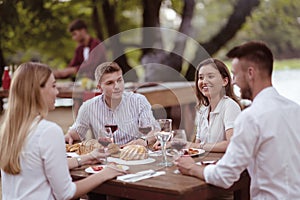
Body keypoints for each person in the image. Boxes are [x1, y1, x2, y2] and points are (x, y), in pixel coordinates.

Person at [176, 41, 300, 199]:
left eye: (235, 74)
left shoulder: (250, 117)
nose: (234, 81)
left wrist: (192, 168)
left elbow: (225, 176)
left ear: (250, 73)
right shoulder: (295, 109)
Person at [0, 62, 125, 199]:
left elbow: (41, 167)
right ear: (37, 90)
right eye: (53, 86)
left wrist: (87, 158)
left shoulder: (9, 130)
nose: (57, 92)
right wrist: (105, 173)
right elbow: (66, 193)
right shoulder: (48, 131)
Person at [65, 61, 157, 146]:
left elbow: (154, 130)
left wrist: (144, 140)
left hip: (133, 156)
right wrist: (69, 135)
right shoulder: (88, 107)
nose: (117, 86)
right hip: (105, 158)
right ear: (99, 88)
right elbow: (77, 132)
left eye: (119, 80)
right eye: (110, 83)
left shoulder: (139, 101)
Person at [189, 58, 241, 152]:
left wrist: (197, 146)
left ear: (225, 81)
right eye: (201, 78)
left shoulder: (230, 106)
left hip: (223, 165)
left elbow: (232, 144)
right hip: (204, 164)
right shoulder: (203, 110)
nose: (204, 81)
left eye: (210, 76)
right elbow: (195, 148)